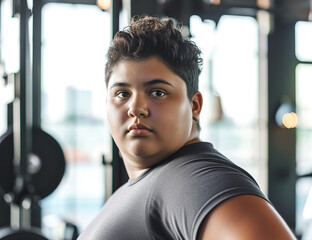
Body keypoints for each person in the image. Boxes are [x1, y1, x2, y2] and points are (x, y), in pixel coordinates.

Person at [78, 15, 296, 240]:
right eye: (122, 94)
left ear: (194, 106)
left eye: (157, 92)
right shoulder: (151, 182)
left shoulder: (197, 177)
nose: (136, 108)